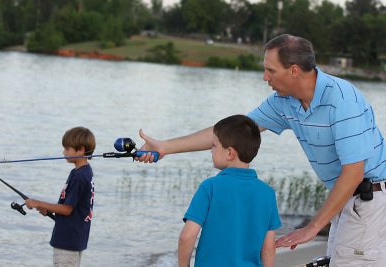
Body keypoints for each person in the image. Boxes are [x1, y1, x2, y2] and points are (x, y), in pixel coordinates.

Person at [137, 34, 386, 266]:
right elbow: (231, 132)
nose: (265, 77)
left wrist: (312, 228)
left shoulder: (342, 100)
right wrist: (166, 146)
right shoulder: (284, 102)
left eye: (270, 70)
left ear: (294, 71)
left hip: (368, 201)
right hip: (345, 201)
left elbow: (353, 173)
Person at [178, 115, 281, 267]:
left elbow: (186, 237)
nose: (211, 151)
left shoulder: (210, 187)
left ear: (230, 153)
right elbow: (268, 247)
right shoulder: (267, 193)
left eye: (214, 146)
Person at [25, 126, 96, 267]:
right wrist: (48, 210)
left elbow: (67, 209)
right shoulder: (82, 171)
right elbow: (73, 207)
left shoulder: (80, 176)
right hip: (74, 236)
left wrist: (37, 202)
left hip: (67, 240)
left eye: (67, 149)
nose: (63, 152)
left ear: (81, 150)